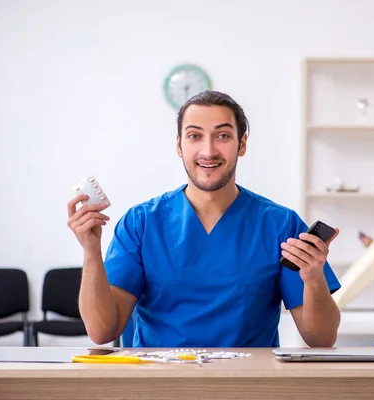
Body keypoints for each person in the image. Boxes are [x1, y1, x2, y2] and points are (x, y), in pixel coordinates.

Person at [67, 90, 342, 348]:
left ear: (242, 144)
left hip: (249, 387)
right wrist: (91, 251)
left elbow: (321, 338)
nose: (208, 151)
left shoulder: (280, 226)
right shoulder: (140, 224)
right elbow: (102, 332)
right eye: (194, 136)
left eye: (222, 136)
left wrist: (314, 277)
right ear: (179, 145)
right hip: (160, 387)